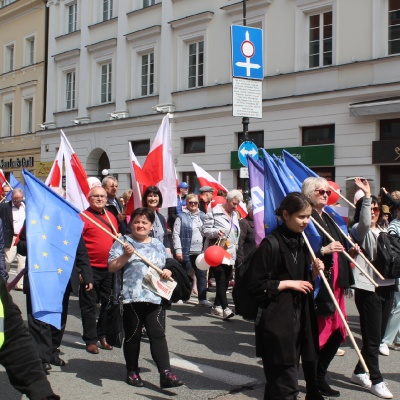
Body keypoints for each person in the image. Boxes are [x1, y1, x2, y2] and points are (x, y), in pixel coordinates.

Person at [248, 192, 324, 400]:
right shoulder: (270, 244)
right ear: (286, 214)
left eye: (308, 216)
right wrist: (287, 284)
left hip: (299, 320)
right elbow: (256, 286)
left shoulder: (301, 241)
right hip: (277, 323)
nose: (306, 221)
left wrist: (314, 272)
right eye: (301, 216)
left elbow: (302, 279)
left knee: (277, 386)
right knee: (286, 386)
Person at [108, 207, 184, 389]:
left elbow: (168, 264)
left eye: (144, 222)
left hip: (155, 296)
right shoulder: (122, 241)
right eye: (136, 222)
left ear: (151, 226)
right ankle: (132, 371)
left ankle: (166, 374)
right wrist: (126, 254)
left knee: (157, 334)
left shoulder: (158, 244)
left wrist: (168, 270)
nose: (140, 225)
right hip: (131, 298)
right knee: (133, 336)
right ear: (131, 224)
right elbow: (111, 267)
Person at [302, 177, 354, 398]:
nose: (325, 193)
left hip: (336, 285)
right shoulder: (306, 217)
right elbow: (301, 248)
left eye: (327, 190)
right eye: (320, 191)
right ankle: (313, 383)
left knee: (338, 333)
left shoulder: (330, 217)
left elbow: (343, 242)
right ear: (309, 194)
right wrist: (324, 250)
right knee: (319, 337)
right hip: (319, 285)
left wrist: (350, 250)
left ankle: (320, 377)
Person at [350, 178, 395, 399]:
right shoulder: (360, 229)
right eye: (372, 208)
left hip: (388, 287)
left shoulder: (386, 230)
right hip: (369, 288)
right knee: (372, 337)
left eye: (378, 208)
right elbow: (365, 223)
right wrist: (367, 196)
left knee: (375, 337)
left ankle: (359, 371)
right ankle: (376, 380)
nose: (376, 211)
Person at [80, 186, 119, 354]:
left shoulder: (111, 217)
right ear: (89, 198)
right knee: (88, 305)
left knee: (108, 304)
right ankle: (90, 339)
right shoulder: (82, 217)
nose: (100, 199)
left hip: (109, 268)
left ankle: (102, 334)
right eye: (96, 196)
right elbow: (77, 246)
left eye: (102, 196)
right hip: (89, 268)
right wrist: (80, 270)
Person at [202, 189, 242, 320]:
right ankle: (226, 309)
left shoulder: (235, 215)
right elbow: (205, 230)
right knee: (220, 279)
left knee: (226, 281)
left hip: (230, 252)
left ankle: (216, 306)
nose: (236, 207)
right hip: (217, 252)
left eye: (238, 204)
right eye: (234, 203)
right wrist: (216, 232)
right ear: (228, 200)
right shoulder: (214, 212)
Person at [172, 193, 211, 307]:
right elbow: (176, 235)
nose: (193, 204)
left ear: (198, 203)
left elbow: (208, 232)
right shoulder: (181, 216)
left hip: (200, 251)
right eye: (191, 202)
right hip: (186, 251)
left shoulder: (203, 216)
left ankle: (202, 299)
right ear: (187, 204)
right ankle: (182, 296)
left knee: (201, 275)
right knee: (185, 275)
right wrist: (178, 250)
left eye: (195, 202)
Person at [379, 205, 400, 356]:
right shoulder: (394, 226)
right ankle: (385, 340)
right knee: (399, 305)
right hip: (398, 269)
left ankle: (398, 338)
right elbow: (391, 246)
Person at [0, 188, 26, 289]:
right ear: (11, 197)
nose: (17, 202)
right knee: (8, 260)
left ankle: (19, 284)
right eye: (15, 200)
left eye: (19, 200)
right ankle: (3, 281)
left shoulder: (25, 207)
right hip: (10, 237)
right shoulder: (4, 207)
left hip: (22, 238)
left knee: (22, 261)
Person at [142, 186, 171, 254]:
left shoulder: (161, 218)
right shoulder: (140, 216)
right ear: (145, 198)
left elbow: (165, 238)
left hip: (160, 255)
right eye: (150, 196)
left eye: (155, 196)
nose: (153, 198)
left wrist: (168, 254)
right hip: (145, 255)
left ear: (159, 198)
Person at [236, 199, 255, 266]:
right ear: (250, 210)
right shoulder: (243, 223)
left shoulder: (263, 222)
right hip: (247, 261)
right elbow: (239, 243)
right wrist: (240, 262)